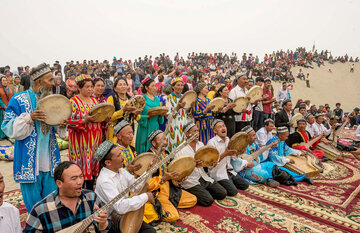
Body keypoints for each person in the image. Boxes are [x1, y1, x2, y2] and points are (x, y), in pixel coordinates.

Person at [1, 63, 66, 212]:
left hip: (51, 160)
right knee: (35, 208)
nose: (53, 83)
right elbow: (7, 127)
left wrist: (61, 125)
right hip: (28, 162)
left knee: (51, 204)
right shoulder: (18, 99)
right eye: (50, 80)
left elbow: (55, 128)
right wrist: (29, 118)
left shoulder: (52, 100)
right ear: (39, 81)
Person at [24, 161, 110, 232]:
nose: (80, 182)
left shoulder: (91, 197)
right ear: (59, 183)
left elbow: (105, 229)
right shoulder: (41, 210)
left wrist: (103, 224)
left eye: (81, 176)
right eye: (74, 178)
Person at [94, 141, 156, 233]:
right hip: (111, 222)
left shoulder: (121, 171)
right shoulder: (105, 181)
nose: (123, 157)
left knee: (150, 231)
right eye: (119, 156)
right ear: (108, 162)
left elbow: (136, 186)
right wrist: (146, 197)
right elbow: (120, 207)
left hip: (125, 215)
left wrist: (148, 172)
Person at [145, 130, 197, 223]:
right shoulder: (148, 158)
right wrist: (163, 179)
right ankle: (161, 206)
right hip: (158, 192)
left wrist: (179, 178)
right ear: (153, 143)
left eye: (165, 139)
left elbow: (172, 173)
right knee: (173, 216)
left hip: (170, 189)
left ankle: (169, 205)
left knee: (193, 199)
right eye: (161, 140)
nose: (165, 142)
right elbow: (147, 184)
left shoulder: (166, 153)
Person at [175, 122, 227, 206]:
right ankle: (187, 191)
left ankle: (203, 192)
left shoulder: (201, 145)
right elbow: (179, 171)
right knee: (208, 201)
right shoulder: (180, 149)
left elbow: (206, 163)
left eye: (197, 131)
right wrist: (193, 165)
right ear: (187, 134)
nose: (197, 133)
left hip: (203, 177)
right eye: (194, 131)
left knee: (222, 193)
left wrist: (211, 164)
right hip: (190, 180)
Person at [67, 74, 102, 190]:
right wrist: (84, 120)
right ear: (79, 88)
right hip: (80, 140)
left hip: (95, 138)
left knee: (92, 165)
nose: (90, 89)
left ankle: (90, 191)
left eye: (91, 87)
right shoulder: (73, 102)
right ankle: (80, 191)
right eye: (87, 87)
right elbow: (67, 122)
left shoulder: (95, 101)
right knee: (81, 166)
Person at [207, 119, 249, 196]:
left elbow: (233, 158)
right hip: (218, 173)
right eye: (220, 127)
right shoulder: (211, 142)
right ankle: (217, 183)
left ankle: (228, 182)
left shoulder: (228, 140)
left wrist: (239, 152)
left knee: (245, 185)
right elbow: (210, 163)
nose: (223, 128)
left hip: (229, 171)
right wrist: (225, 154)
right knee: (233, 192)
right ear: (215, 131)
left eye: (224, 126)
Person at [107, 77, 141, 143]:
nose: (123, 86)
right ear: (115, 88)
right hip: (115, 133)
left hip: (128, 133)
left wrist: (136, 113)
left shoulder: (131, 99)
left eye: (124, 84)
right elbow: (110, 117)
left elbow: (137, 119)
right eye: (120, 85)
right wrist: (123, 110)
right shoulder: (111, 99)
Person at [135, 77, 164, 153]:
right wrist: (147, 116)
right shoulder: (141, 99)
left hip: (155, 126)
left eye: (155, 86)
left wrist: (161, 115)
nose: (155, 88)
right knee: (144, 147)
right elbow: (136, 116)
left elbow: (160, 119)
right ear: (146, 87)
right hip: (145, 127)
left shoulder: (157, 99)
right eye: (152, 86)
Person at [165, 77, 193, 151]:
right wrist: (178, 107)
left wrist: (191, 107)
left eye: (181, 85)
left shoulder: (185, 96)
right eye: (178, 85)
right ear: (173, 87)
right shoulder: (169, 98)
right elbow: (168, 116)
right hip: (174, 125)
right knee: (174, 146)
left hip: (184, 124)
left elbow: (187, 113)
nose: (180, 87)